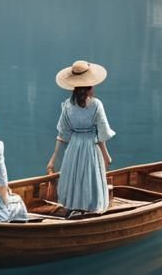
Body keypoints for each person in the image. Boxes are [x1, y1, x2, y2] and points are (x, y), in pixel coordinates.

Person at [45, 61, 115, 214]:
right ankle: (90, 210)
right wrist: (106, 156)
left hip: (74, 147)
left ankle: (74, 208)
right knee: (90, 178)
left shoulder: (67, 106)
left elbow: (62, 136)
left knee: (74, 176)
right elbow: (101, 134)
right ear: (90, 86)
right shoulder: (96, 105)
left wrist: (53, 158)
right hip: (91, 146)